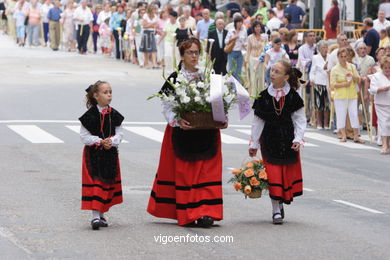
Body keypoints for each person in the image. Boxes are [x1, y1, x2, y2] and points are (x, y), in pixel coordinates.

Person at [147, 38, 226, 227]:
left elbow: (218, 100)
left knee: (207, 172)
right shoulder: (174, 78)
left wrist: (222, 119)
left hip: (206, 130)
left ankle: (207, 212)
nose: (194, 56)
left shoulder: (208, 75)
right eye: (190, 52)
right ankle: (189, 212)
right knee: (186, 173)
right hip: (184, 130)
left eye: (197, 52)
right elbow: (166, 105)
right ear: (182, 56)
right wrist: (177, 120)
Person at [249, 60, 306, 225]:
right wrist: (254, 144)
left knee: (284, 176)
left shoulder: (294, 96)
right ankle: (275, 209)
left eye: (277, 72)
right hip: (269, 140)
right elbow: (257, 122)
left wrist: (298, 138)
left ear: (286, 77)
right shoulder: (263, 96)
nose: (272, 74)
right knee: (273, 175)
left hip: (288, 141)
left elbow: (300, 120)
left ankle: (280, 202)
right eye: (272, 70)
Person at [79, 80, 125, 230]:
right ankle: (95, 217)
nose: (109, 95)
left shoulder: (115, 114)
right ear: (96, 96)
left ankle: (102, 214)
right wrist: (99, 141)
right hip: (93, 155)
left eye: (110, 92)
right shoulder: (89, 116)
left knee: (106, 183)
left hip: (110, 154)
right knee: (96, 184)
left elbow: (120, 133)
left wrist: (111, 141)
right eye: (105, 92)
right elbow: (84, 136)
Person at [330, 48, 364, 143]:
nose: (344, 58)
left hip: (352, 94)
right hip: (340, 95)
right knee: (341, 115)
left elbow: (359, 79)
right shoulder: (335, 69)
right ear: (338, 57)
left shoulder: (352, 67)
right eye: (342, 57)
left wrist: (352, 77)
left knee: (354, 114)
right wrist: (344, 84)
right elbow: (332, 84)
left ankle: (356, 136)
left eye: (345, 56)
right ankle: (343, 135)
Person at [368, 56, 390, 154]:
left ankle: (388, 145)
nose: (387, 69)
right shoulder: (376, 76)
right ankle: (385, 145)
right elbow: (372, 90)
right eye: (385, 67)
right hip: (381, 104)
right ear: (381, 67)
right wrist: (383, 89)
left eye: (389, 67)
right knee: (384, 124)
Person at [310, 41, 330, 129]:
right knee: (319, 104)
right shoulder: (315, 58)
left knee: (327, 104)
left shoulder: (330, 57)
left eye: (326, 47)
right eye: (323, 48)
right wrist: (312, 79)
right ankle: (319, 123)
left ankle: (326, 123)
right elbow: (312, 71)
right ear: (319, 49)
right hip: (319, 82)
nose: (325, 49)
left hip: (328, 83)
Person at [246, 21, 266, 96]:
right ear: (253, 28)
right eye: (256, 27)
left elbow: (266, 49)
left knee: (261, 77)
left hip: (261, 59)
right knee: (253, 77)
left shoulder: (264, 37)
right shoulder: (250, 37)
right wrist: (247, 61)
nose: (258, 28)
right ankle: (253, 95)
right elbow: (248, 50)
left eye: (259, 27)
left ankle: (261, 95)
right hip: (252, 58)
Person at [225, 15, 247, 83]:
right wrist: (234, 38)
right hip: (232, 52)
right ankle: (231, 86)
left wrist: (244, 44)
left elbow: (246, 41)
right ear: (235, 23)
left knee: (238, 71)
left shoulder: (244, 31)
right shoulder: (231, 31)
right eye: (238, 22)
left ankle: (238, 88)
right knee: (231, 70)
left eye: (241, 22)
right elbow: (226, 41)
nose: (240, 24)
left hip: (240, 52)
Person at [140, 4, 158, 69]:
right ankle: (146, 63)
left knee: (154, 49)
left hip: (152, 33)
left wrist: (150, 25)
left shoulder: (155, 16)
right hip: (146, 33)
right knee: (146, 50)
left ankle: (154, 63)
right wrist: (152, 24)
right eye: (154, 9)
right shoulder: (145, 16)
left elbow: (155, 25)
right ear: (151, 10)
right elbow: (144, 26)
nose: (155, 11)